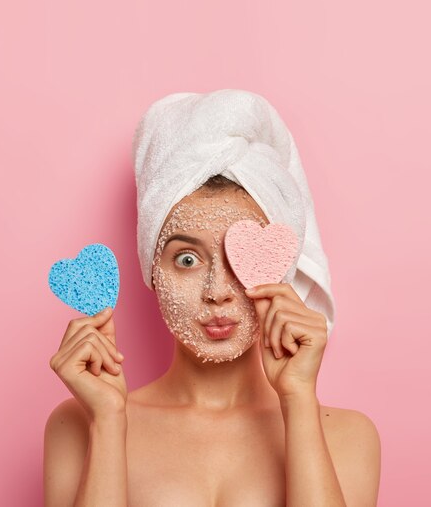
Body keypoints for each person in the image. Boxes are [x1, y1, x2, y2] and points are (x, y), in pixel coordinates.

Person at [43, 89, 381, 506]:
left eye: (240, 257)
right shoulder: (79, 424)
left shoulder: (346, 435)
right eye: (187, 259)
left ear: (281, 265)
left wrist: (298, 400)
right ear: (151, 267)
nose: (217, 291)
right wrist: (109, 424)